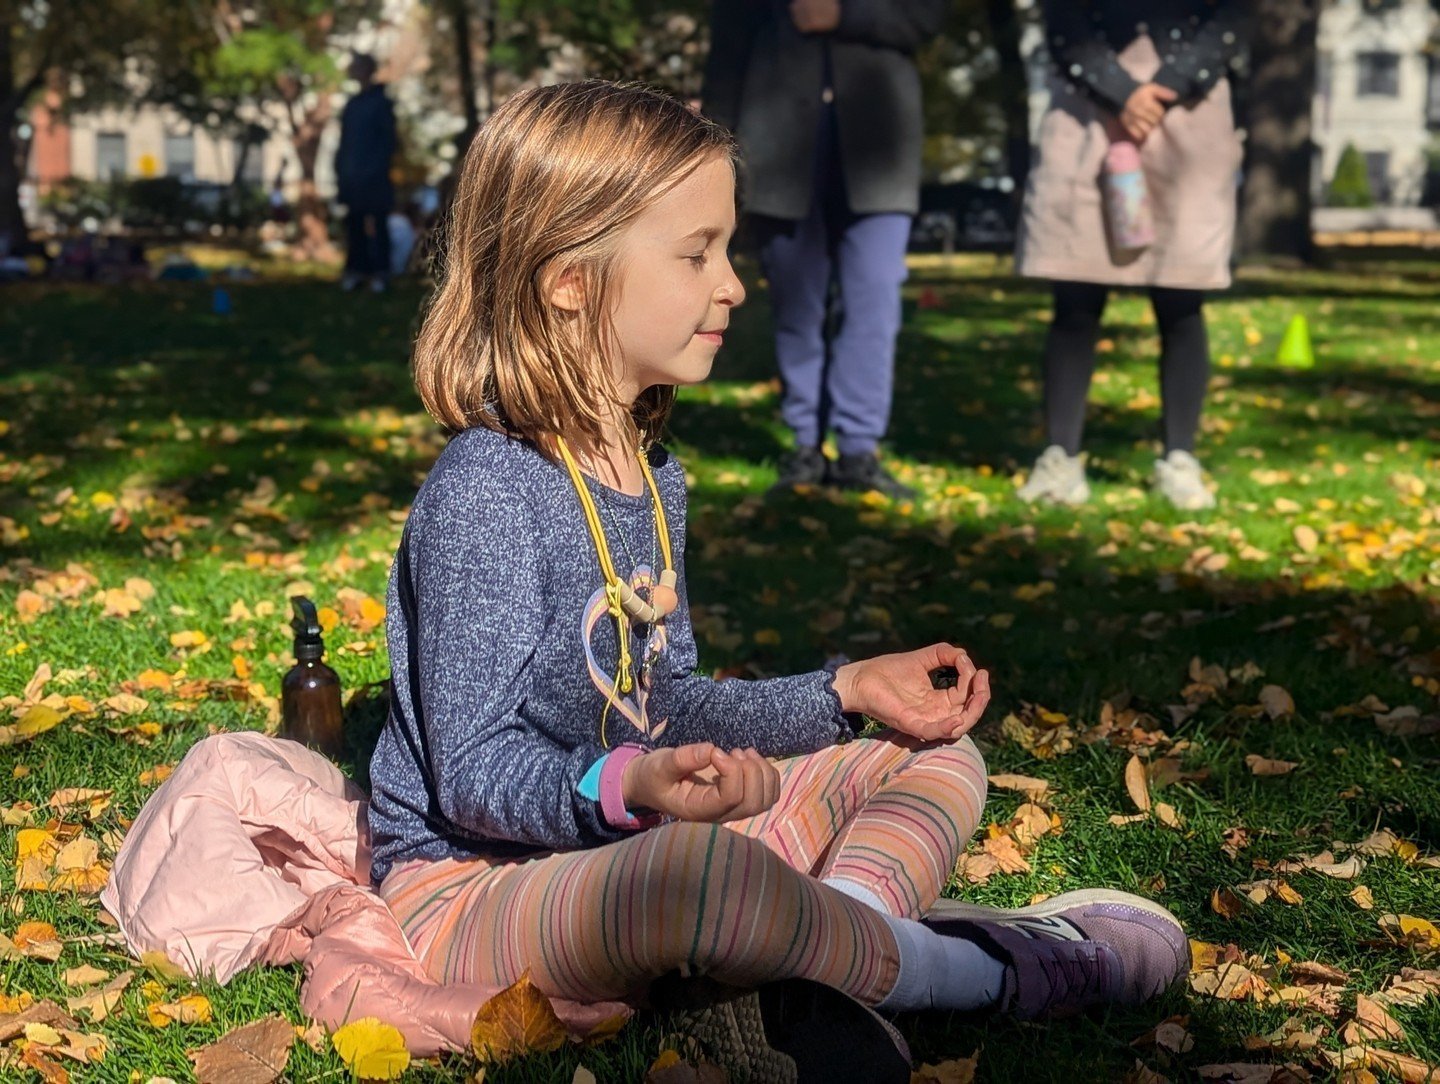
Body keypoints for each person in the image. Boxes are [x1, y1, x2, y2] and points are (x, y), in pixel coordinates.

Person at [367, 81, 1189, 1050]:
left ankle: (831, 970)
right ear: (568, 277)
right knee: (698, 881)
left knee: (930, 754)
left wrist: (844, 693)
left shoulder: (650, 474)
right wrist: (631, 787)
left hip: (629, 855)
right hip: (473, 889)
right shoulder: (488, 488)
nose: (734, 283)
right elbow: (471, 773)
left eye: (728, 247)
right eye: (696, 252)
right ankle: (988, 973)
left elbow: (664, 702)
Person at [703, 0, 945, 499]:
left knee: (874, 301)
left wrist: (845, 15)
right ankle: (805, 446)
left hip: (882, 147)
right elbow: (727, 48)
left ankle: (859, 449)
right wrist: (712, 151)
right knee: (797, 307)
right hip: (777, 149)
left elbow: (926, 18)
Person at [1015, 0, 1246, 510]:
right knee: (1074, 298)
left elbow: (1231, 17)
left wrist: (1169, 85)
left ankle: (1180, 457)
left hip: (1189, 115)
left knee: (1182, 302)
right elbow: (1063, 20)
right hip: (1086, 115)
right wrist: (1119, 90)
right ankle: (1060, 457)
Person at [334, 53, 397, 293]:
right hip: (352, 177)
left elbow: (387, 142)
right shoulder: (352, 105)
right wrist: (342, 171)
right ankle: (356, 271)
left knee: (378, 223)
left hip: (375, 177)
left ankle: (381, 272)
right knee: (354, 225)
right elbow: (344, 142)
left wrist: (373, 170)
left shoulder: (381, 103)